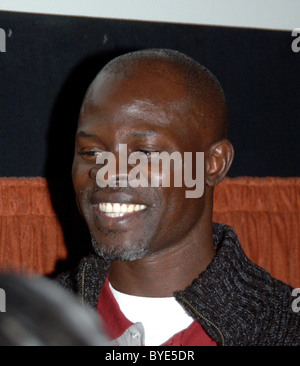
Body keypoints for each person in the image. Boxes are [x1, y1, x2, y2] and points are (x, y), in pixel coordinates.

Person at [56, 48, 300, 346]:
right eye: (92, 152)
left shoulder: (286, 328)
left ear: (213, 164)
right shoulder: (28, 324)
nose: (107, 174)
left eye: (145, 151)